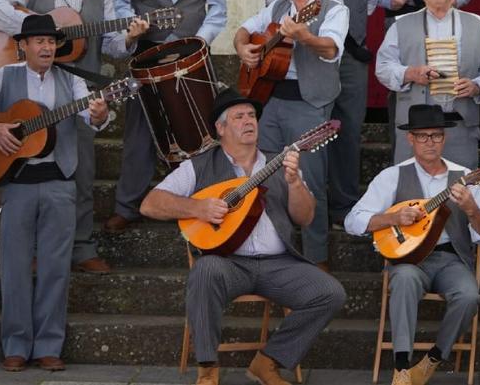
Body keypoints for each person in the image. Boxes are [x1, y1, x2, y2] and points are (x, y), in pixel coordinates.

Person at [140, 90, 346, 385]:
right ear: (220, 129)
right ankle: (208, 370)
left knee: (330, 293)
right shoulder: (199, 166)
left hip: (279, 264)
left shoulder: (280, 163)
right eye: (239, 117)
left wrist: (295, 183)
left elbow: (306, 218)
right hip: (228, 264)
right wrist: (196, 207)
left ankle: (268, 362)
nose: (249, 121)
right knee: (204, 270)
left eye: (252, 115)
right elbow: (150, 203)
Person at [0, 0, 149, 273]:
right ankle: (32, 250)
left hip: (77, 93)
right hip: (31, 88)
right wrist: (40, 29)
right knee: (28, 170)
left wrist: (132, 37)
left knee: (82, 172)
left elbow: (113, 47)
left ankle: (81, 247)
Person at [0, 13, 110, 373]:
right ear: (24, 46)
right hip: (16, 180)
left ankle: (49, 345)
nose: (47, 47)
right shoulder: (5, 76)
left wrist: (99, 113)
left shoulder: (72, 81)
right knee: (14, 265)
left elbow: (93, 121)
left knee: (55, 267)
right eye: (40, 42)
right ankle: (16, 345)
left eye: (51, 42)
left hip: (59, 180)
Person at [106, 0, 228, 234]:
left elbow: (217, 7)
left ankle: (202, 200)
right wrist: (131, 29)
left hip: (192, 56)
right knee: (139, 129)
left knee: (199, 128)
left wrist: (197, 44)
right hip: (146, 53)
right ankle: (127, 206)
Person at [345, 105, 480, 385]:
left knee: (469, 297)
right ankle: (402, 367)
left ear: (445, 138)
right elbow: (352, 221)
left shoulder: (464, 177)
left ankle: (431, 360)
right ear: (411, 139)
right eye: (423, 136)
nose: (430, 142)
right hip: (408, 259)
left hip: (450, 259)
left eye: (436, 136)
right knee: (403, 280)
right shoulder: (392, 176)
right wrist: (392, 217)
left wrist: (472, 209)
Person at [267, 0, 378, 227]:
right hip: (300, 54)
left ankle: (343, 204)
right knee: (310, 131)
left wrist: (343, 29)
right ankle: (302, 207)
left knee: (348, 128)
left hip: (347, 50)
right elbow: (273, 0)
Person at [235, 0, 349, 267]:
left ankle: (316, 260)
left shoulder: (333, 9)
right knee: (267, 178)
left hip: (309, 102)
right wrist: (243, 48)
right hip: (268, 101)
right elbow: (243, 30)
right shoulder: (275, 7)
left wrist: (304, 36)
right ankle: (274, 252)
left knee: (310, 180)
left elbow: (330, 49)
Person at [377, 0, 480, 169]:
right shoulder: (400, 25)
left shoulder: (476, 25)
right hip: (414, 130)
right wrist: (411, 73)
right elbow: (383, 66)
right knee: (411, 192)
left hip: (459, 126)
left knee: (460, 191)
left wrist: (477, 86)